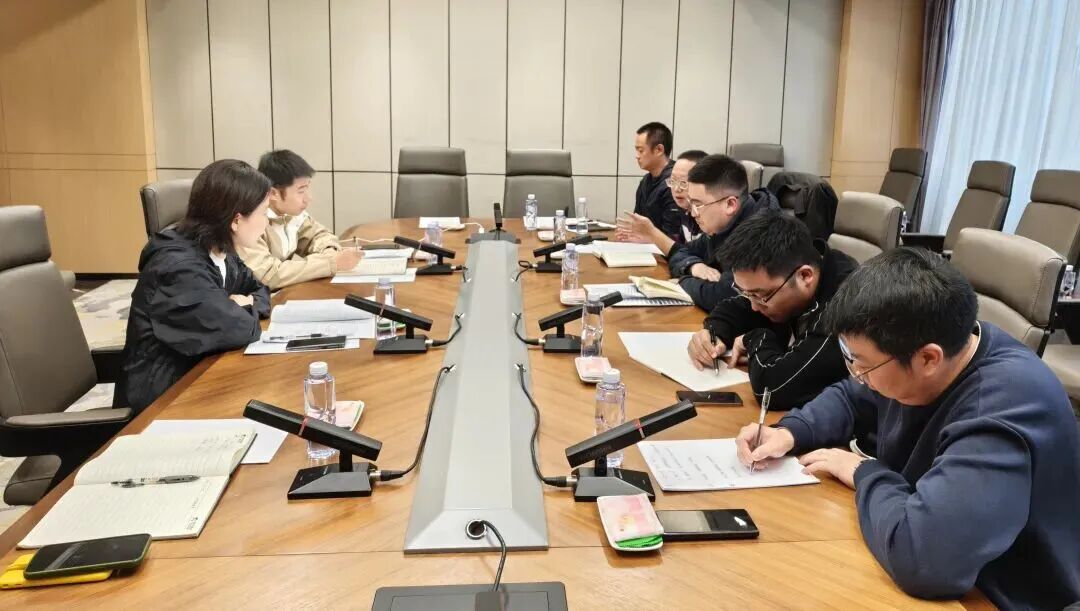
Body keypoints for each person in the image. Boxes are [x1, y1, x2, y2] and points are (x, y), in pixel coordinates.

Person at [735, 248, 1080, 610]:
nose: (856, 374)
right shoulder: (935, 348)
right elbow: (853, 396)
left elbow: (924, 560)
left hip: (997, 596)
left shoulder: (1002, 406)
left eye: (862, 365)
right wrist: (791, 431)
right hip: (933, 543)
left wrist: (864, 472)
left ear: (928, 359)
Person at [119, 160, 273, 412]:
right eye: (264, 213)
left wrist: (243, 305)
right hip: (162, 401)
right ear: (236, 220)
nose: (267, 223)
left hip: (198, 376)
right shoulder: (178, 267)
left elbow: (261, 291)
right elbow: (238, 328)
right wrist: (241, 308)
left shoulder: (219, 251)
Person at [686, 212, 856, 411]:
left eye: (760, 296)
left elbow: (773, 389)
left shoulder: (844, 309)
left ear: (805, 276)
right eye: (746, 293)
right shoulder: (791, 273)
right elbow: (736, 307)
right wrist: (712, 332)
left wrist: (755, 339)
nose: (754, 306)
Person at [667, 154, 778, 311]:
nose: (693, 213)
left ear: (730, 204)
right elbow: (681, 251)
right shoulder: (723, 223)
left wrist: (683, 282)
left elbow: (723, 296)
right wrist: (693, 266)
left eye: (698, 204)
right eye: (691, 203)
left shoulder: (760, 235)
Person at [240, 149, 360, 289]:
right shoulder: (251, 222)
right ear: (273, 193)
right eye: (301, 191)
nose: (308, 198)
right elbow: (269, 275)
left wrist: (330, 253)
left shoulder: (291, 214)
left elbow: (320, 235)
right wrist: (329, 263)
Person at [615, 149, 705, 251]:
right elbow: (682, 249)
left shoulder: (708, 217)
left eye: (683, 183)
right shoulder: (685, 211)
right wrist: (648, 239)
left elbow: (689, 254)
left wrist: (653, 234)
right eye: (673, 181)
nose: (676, 189)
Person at [631, 122, 678, 234]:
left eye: (641, 150)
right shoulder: (645, 181)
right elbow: (638, 222)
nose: (637, 156)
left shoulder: (675, 183)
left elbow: (672, 235)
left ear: (659, 150)